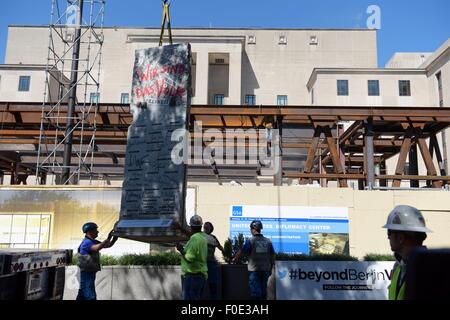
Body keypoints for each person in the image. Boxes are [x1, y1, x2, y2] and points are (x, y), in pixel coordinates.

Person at [382, 205, 432, 300]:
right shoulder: (398, 267)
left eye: (389, 232)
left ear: (401, 238)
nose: (388, 237)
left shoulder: (429, 269)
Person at [232, 220, 275, 300]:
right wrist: (271, 267)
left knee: (256, 293)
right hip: (266, 269)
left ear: (253, 229)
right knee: (263, 292)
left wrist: (235, 259)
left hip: (254, 270)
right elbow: (272, 255)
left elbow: (242, 252)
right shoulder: (268, 241)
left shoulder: (251, 241)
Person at [76, 222, 118, 300]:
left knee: (83, 293)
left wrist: (113, 239)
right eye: (96, 230)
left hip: (90, 272)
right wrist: (106, 240)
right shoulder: (86, 243)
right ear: (90, 231)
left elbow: (106, 245)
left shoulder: (92, 241)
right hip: (87, 273)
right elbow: (97, 248)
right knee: (90, 295)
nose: (98, 232)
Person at [176, 215, 208, 300]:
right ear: (201, 226)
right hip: (201, 276)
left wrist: (181, 250)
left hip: (192, 276)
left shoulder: (194, 239)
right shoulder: (202, 238)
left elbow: (189, 259)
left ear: (191, 226)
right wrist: (180, 229)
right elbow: (191, 235)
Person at [203, 221, 224, 299]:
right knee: (203, 281)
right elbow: (220, 248)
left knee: (212, 281)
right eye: (205, 225)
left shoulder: (213, 237)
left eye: (207, 226)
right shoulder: (200, 236)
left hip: (210, 262)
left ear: (210, 229)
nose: (205, 227)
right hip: (203, 262)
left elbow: (220, 247)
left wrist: (225, 253)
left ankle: (213, 297)